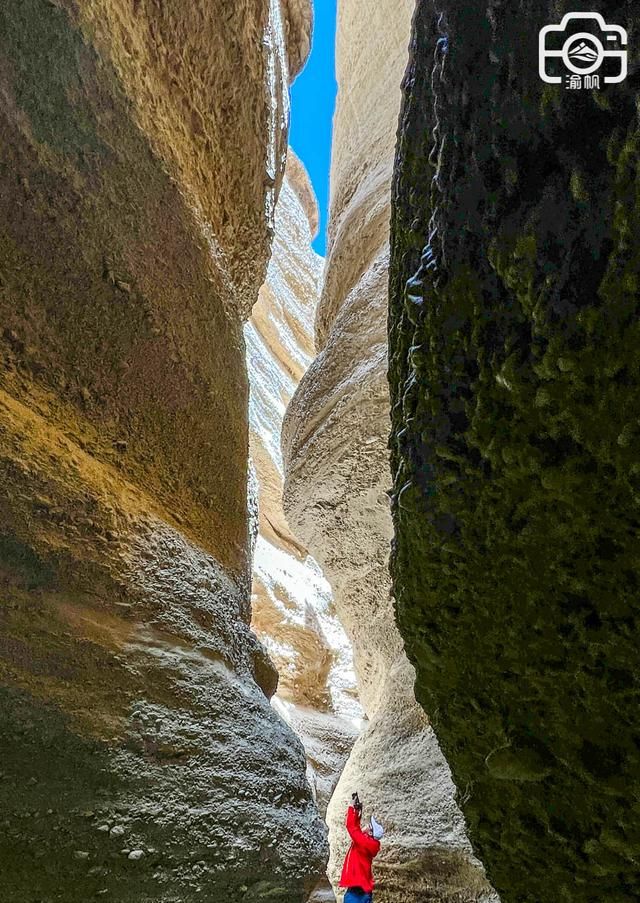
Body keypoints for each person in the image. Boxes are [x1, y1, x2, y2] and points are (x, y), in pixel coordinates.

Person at [339, 793, 384, 903]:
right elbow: (356, 830)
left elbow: (351, 828)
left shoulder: (365, 843)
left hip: (357, 890)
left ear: (370, 833)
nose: (366, 826)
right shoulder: (368, 843)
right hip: (361, 889)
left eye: (369, 826)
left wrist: (351, 808)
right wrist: (358, 812)